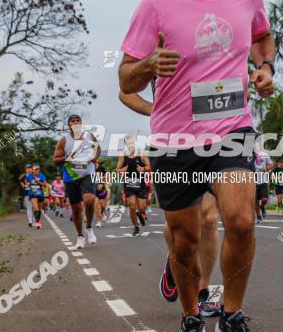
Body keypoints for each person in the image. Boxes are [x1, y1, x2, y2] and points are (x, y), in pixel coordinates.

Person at [118, 0, 275, 332]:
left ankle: (232, 315)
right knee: (183, 240)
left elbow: (263, 37)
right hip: (175, 140)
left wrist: (263, 68)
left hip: (232, 129)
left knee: (241, 221)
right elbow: (126, 80)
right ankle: (190, 318)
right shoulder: (155, 5)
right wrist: (147, 65)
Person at [118, 92, 222, 318]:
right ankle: (178, 255)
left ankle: (202, 290)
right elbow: (125, 90)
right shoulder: (160, 57)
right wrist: (156, 109)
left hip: (215, 138)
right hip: (174, 143)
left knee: (209, 219)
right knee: (182, 227)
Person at [52, 114, 100, 249]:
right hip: (71, 176)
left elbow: (98, 149)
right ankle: (80, 236)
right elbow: (55, 160)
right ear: (69, 125)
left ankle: (89, 227)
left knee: (89, 200)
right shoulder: (64, 141)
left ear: (81, 123)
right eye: (72, 121)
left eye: (78, 120)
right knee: (77, 208)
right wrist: (67, 158)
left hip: (87, 173)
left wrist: (94, 157)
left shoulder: (90, 136)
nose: (75, 122)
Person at [116, 135, 151, 235]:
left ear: (134, 142)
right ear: (126, 144)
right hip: (129, 184)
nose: (130, 145)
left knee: (142, 208)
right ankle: (136, 227)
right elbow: (117, 169)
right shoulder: (123, 155)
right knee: (131, 205)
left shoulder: (141, 154)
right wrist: (121, 170)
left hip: (141, 184)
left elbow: (149, 166)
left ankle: (139, 214)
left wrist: (143, 169)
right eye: (128, 143)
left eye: (132, 143)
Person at [253, 143, 273, 224]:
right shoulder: (249, 156)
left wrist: (266, 168)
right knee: (255, 201)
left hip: (263, 180)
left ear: (260, 147)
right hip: (253, 182)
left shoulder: (264, 155)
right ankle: (258, 216)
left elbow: (271, 164)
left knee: (264, 199)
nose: (256, 147)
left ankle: (262, 207)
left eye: (257, 146)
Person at [25, 163, 47, 229]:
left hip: (40, 194)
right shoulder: (29, 176)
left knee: (39, 209)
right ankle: (37, 222)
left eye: (38, 169)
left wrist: (39, 182)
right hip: (32, 194)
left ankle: (38, 220)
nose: (36, 170)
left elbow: (45, 185)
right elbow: (26, 182)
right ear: (32, 170)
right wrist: (28, 183)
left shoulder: (41, 176)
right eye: (35, 169)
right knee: (36, 208)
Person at [94, 161, 109, 227]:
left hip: (101, 188)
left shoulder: (101, 168)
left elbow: (106, 176)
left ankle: (102, 213)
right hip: (93, 188)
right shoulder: (89, 168)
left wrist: (103, 179)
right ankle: (99, 221)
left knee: (103, 206)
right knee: (96, 205)